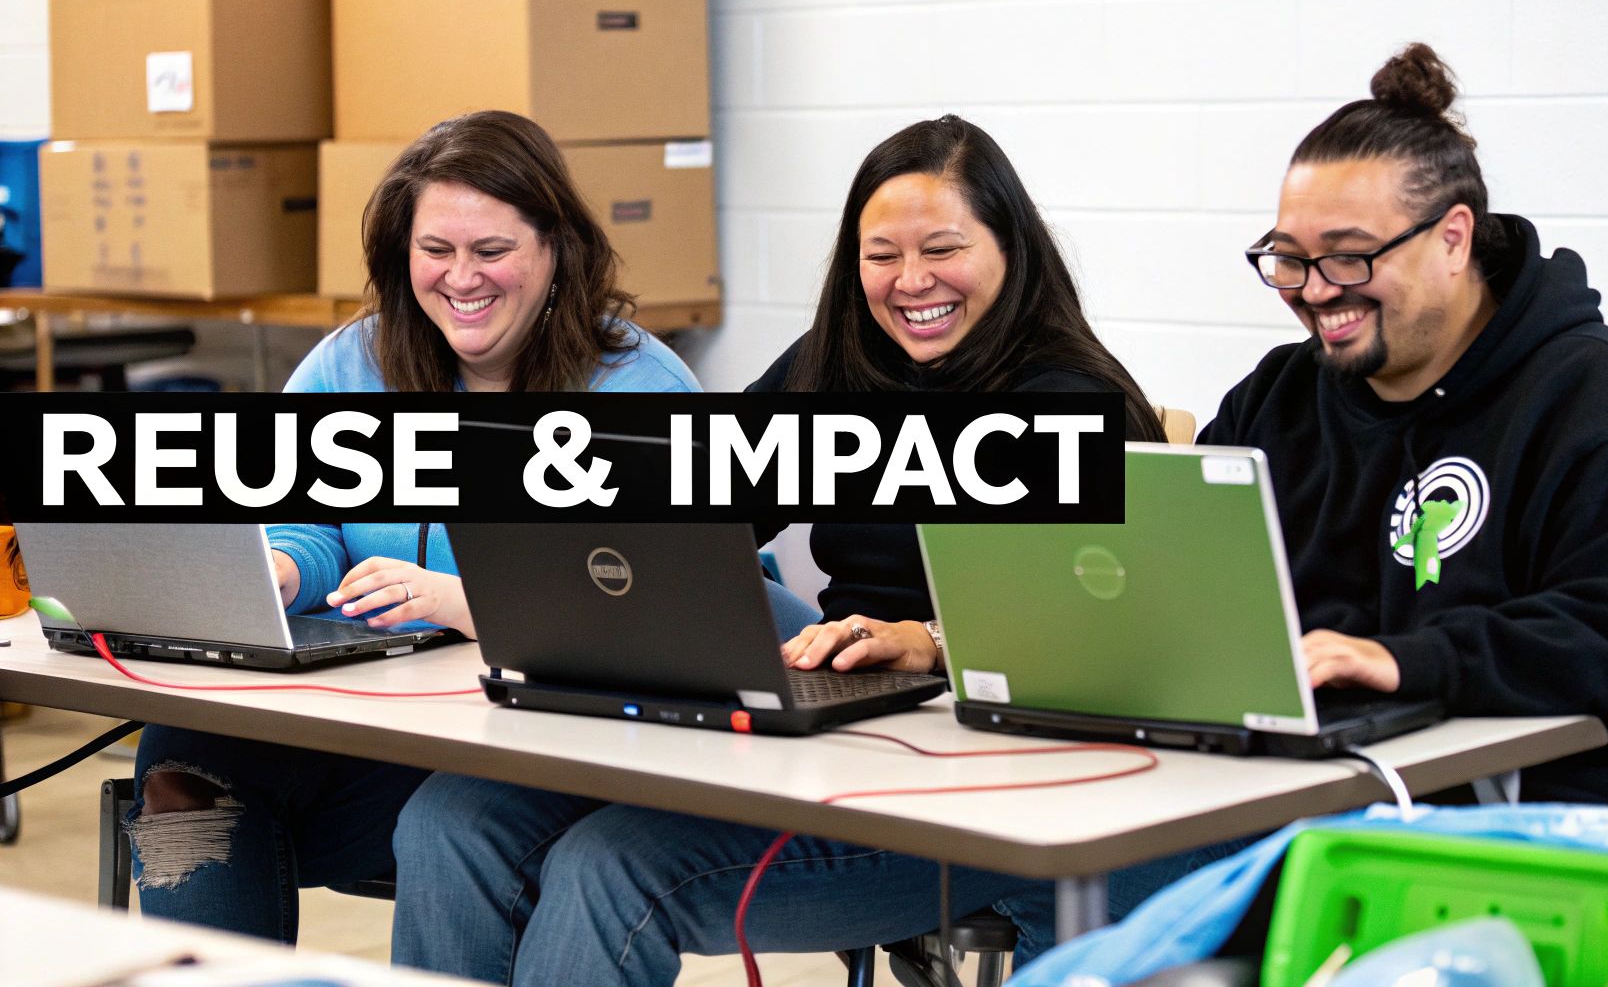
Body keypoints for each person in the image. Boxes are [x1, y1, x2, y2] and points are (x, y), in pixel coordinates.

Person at [390, 115, 1187, 986]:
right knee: (455, 817)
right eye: (881, 255)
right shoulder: (838, 364)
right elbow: (697, 515)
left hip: (989, 784)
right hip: (830, 736)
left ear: (1011, 250)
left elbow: (1105, 633)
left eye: (943, 249)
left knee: (607, 870)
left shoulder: (1072, 401)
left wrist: (929, 638)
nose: (910, 281)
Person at [124, 110, 711, 942]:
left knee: (446, 814)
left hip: (534, 753)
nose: (460, 278)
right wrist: (282, 572)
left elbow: (656, 602)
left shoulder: (637, 390)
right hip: (375, 730)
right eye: (436, 251)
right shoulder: (350, 363)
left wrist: (454, 598)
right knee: (182, 756)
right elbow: (308, 522)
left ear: (556, 250)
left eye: (492, 252)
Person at [1207, 43, 1608, 818]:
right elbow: (1182, 581)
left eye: (1350, 259)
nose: (1316, 291)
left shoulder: (1607, 404)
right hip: (1316, 794)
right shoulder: (1276, 399)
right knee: (1041, 877)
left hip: (1571, 815)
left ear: (1454, 238)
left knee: (1102, 911)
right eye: (1289, 259)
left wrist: (1409, 662)